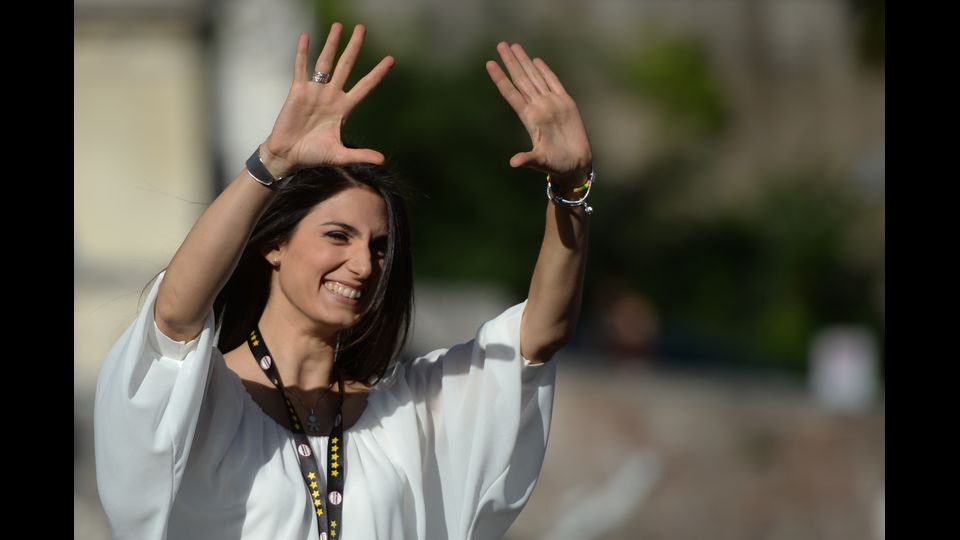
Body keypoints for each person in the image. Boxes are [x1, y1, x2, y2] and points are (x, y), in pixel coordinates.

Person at [94, 22, 593, 540]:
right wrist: (273, 162)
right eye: (338, 236)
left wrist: (571, 189)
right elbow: (175, 318)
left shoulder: (406, 411)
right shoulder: (204, 403)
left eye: (379, 247)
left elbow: (540, 335)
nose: (363, 264)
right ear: (273, 245)